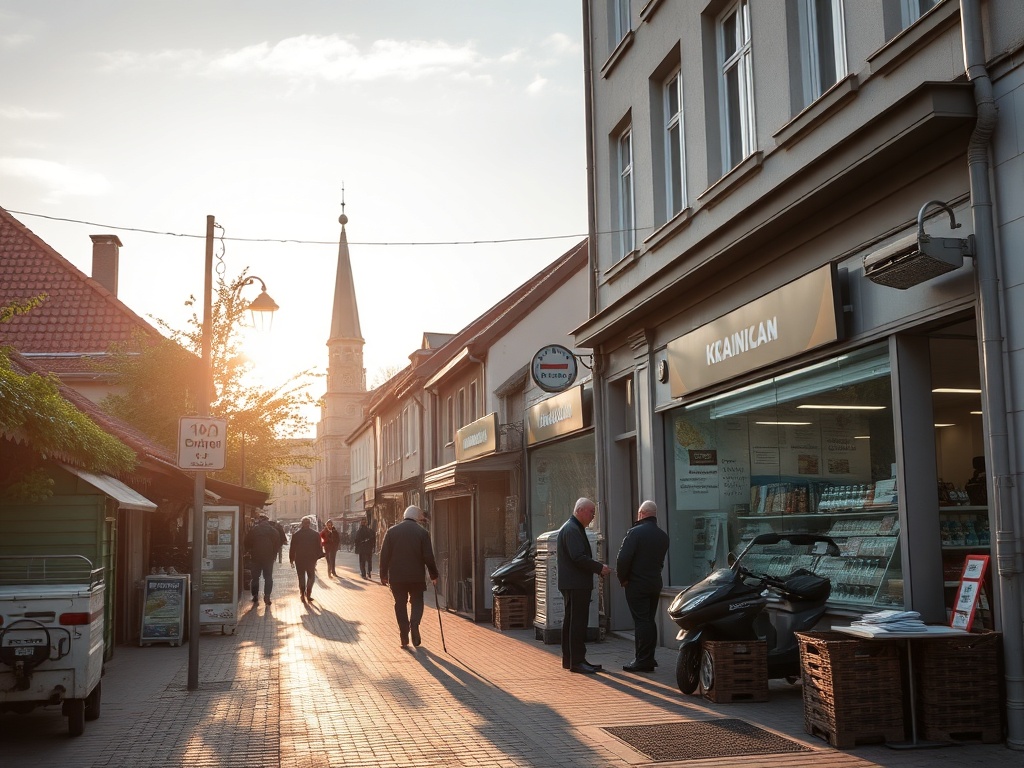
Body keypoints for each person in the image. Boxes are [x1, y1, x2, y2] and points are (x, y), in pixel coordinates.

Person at [556, 497, 610, 674]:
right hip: (576, 584)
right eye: (591, 512)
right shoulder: (572, 529)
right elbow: (578, 557)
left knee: (572, 622)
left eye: (594, 513)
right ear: (579, 510)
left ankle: (572, 659)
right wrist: (599, 568)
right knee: (577, 623)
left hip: (574, 583)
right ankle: (577, 661)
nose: (593, 516)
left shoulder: (573, 527)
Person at [615, 499, 670, 672]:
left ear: (641, 514)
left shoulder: (635, 533)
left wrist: (622, 579)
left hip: (636, 584)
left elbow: (623, 559)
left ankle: (642, 660)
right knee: (649, 620)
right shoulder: (663, 536)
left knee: (641, 621)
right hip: (654, 584)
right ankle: (649, 658)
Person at [379, 506, 438, 648]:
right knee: (417, 601)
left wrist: (383, 575)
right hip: (416, 576)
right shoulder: (422, 533)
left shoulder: (392, 531)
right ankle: (415, 624)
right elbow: (428, 556)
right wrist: (433, 574)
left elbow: (384, 555)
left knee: (400, 604)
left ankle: (404, 633)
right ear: (417, 517)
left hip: (397, 577)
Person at [244, 514, 282, 605]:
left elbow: (247, 542)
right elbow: (278, 544)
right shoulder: (273, 531)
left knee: (255, 577)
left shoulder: (254, 530)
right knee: (268, 577)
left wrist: (250, 551)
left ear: (260, 521)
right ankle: (267, 596)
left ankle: (255, 595)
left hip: (256, 557)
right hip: (268, 558)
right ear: (267, 521)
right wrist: (273, 554)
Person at [289, 517, 324, 603]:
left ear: (302, 524)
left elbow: (292, 548)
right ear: (309, 524)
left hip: (299, 559)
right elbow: (319, 547)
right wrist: (318, 556)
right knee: (311, 576)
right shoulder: (315, 534)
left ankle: (302, 594)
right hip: (311, 559)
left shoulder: (296, 535)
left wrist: (291, 559)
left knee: (301, 577)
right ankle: (308, 594)